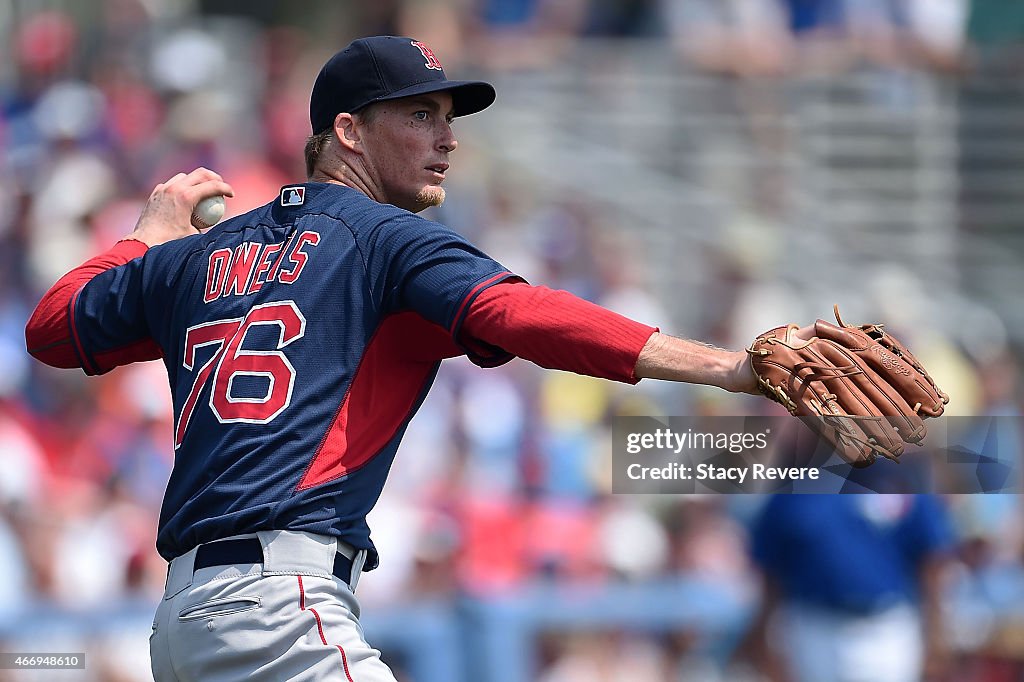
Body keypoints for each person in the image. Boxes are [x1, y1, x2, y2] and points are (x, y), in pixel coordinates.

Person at [25, 36, 764, 681]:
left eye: (447, 119)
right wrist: (726, 368)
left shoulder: (196, 255)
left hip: (184, 622)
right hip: (281, 609)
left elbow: (53, 329)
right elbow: (520, 313)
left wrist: (145, 236)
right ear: (347, 130)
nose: (446, 139)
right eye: (420, 116)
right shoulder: (382, 237)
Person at [743, 494, 955, 682]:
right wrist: (761, 633)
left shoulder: (901, 481)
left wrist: (936, 633)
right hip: (814, 627)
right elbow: (771, 573)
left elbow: (931, 562)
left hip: (888, 627)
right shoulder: (794, 492)